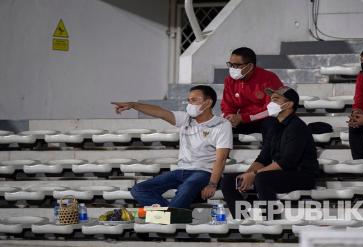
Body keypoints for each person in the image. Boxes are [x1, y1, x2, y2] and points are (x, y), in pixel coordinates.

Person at [111, 85, 233, 209]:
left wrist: (212, 184)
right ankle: (173, 215)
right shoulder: (185, 118)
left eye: (194, 100)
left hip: (204, 172)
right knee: (139, 190)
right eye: (189, 100)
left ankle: (168, 216)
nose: (190, 104)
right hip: (181, 170)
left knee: (186, 188)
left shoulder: (222, 124)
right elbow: (160, 112)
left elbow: (221, 159)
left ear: (208, 103)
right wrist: (133, 105)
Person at [221, 86, 319, 219]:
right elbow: (263, 158)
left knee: (262, 178)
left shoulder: (297, 127)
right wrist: (247, 175)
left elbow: (287, 162)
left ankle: (272, 220)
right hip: (281, 173)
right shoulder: (274, 126)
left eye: (276, 100)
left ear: (289, 104)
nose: (270, 103)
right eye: (271, 100)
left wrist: (254, 175)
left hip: (302, 175)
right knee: (229, 180)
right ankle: (242, 220)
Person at [221, 47, 283, 143]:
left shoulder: (268, 78)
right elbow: (227, 104)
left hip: (265, 119)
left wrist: (244, 117)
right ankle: (223, 158)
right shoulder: (230, 80)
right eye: (230, 65)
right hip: (243, 120)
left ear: (250, 66)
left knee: (271, 124)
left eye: (237, 65)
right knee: (220, 126)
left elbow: (272, 108)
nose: (233, 69)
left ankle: (270, 156)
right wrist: (229, 117)